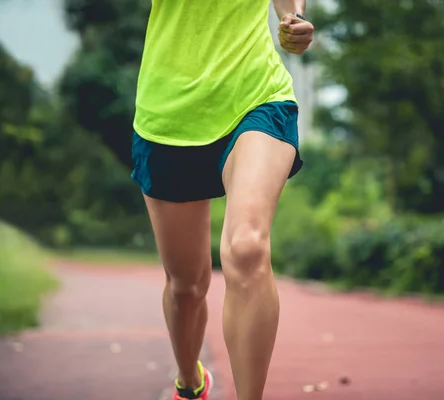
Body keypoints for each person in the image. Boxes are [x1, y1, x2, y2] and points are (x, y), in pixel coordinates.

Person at [131, 1, 313, 399]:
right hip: (168, 116)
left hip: (255, 98)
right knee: (186, 286)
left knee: (246, 248)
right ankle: (190, 383)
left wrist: (292, 16)